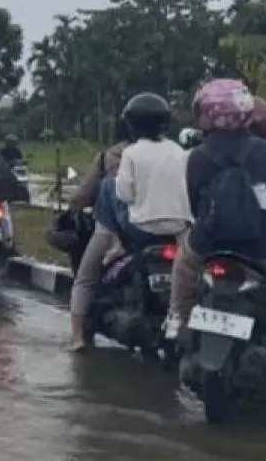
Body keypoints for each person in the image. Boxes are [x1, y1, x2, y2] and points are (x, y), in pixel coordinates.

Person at [163, 80, 266, 356]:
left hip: (208, 246)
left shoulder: (197, 157)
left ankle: (178, 319)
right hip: (265, 246)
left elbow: (194, 205)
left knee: (182, 264)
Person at [65, 93, 189, 351]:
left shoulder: (128, 153)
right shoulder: (180, 152)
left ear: (131, 124)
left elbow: (124, 195)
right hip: (177, 231)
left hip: (138, 231)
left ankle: (76, 336)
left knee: (86, 277)